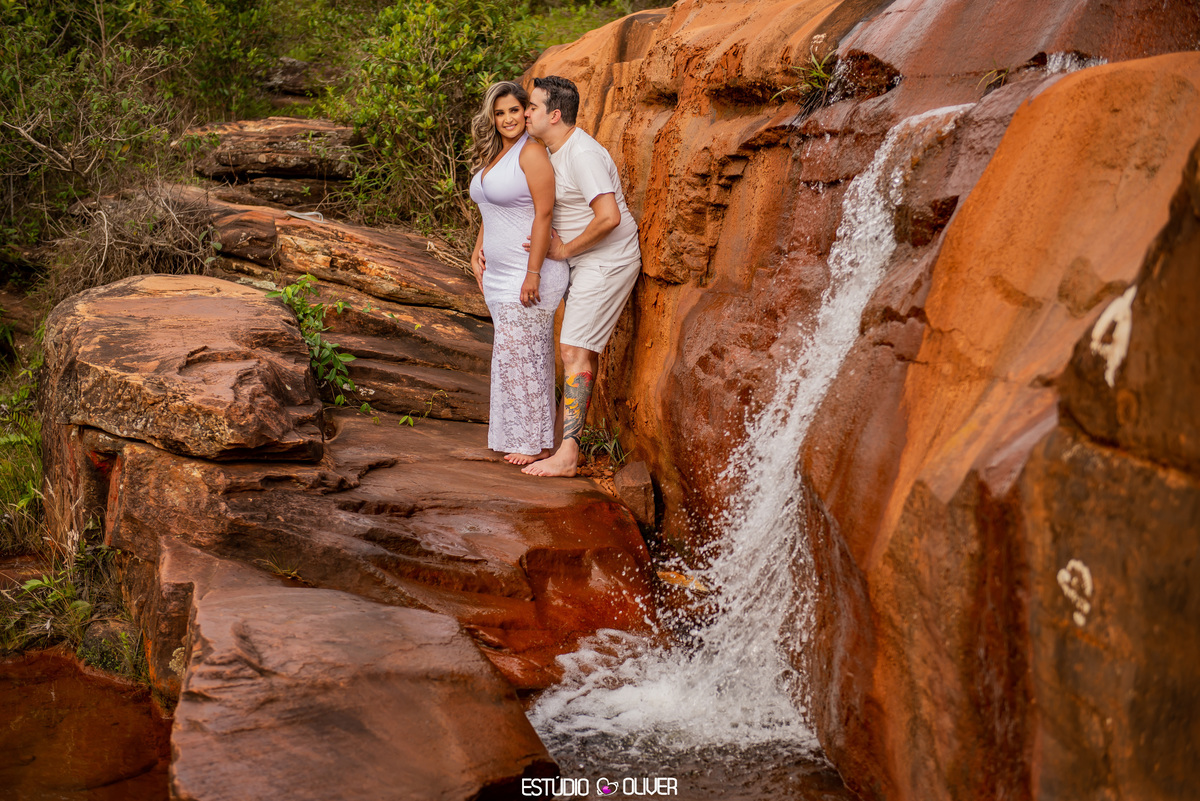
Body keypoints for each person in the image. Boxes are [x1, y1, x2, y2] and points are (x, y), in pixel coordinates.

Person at [520, 75, 642, 477]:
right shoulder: (551, 151)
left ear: (554, 115)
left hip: (606, 261)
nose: (525, 113)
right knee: (572, 351)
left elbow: (609, 217)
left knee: (574, 352)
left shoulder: (582, 154)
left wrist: (564, 250)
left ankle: (569, 456)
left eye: (532, 107)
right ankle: (557, 448)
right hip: (583, 261)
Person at [468, 81, 569, 465]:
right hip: (497, 274)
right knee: (513, 356)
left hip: (529, 273)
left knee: (527, 356)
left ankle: (538, 445)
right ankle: (524, 437)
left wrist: (534, 273)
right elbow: (491, 209)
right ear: (491, 118)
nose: (508, 118)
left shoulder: (531, 153)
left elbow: (544, 213)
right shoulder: (495, 155)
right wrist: (478, 248)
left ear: (526, 111)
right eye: (500, 112)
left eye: (514, 110)